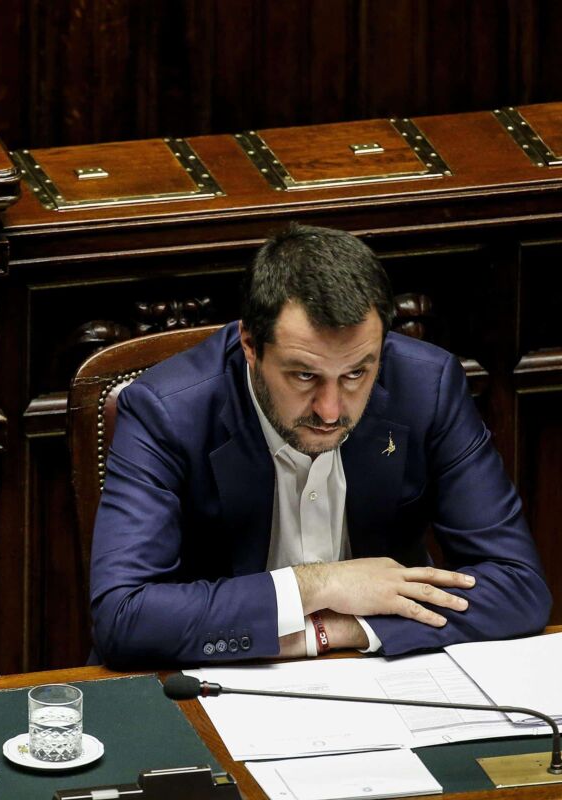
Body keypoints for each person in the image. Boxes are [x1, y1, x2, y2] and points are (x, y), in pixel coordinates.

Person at [89, 223, 550, 667]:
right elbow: (125, 616)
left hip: (387, 675)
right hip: (219, 680)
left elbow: (518, 587)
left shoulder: (427, 388)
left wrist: (334, 631)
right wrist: (319, 584)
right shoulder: (166, 412)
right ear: (250, 343)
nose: (331, 410)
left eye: (356, 374)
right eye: (304, 375)